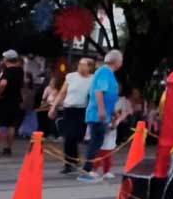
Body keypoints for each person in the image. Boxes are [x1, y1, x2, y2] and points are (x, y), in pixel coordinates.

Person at [78, 50, 123, 182]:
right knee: (95, 142)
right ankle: (87, 170)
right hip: (97, 113)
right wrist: (102, 110)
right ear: (116, 61)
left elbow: (109, 95)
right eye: (121, 60)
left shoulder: (109, 73)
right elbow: (99, 92)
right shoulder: (104, 72)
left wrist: (112, 111)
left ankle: (89, 169)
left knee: (98, 142)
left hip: (104, 113)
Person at [50, 58, 95, 174]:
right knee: (68, 137)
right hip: (68, 109)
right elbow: (62, 93)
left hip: (82, 110)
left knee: (75, 137)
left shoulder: (93, 79)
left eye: (84, 65)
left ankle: (74, 160)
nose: (80, 67)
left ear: (90, 67)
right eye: (79, 64)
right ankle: (69, 163)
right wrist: (53, 107)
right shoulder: (71, 76)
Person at [0, 50, 25, 157]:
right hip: (15, 100)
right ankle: (8, 148)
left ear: (6, 59)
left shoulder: (8, 71)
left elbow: (3, 84)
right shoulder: (20, 71)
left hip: (3, 101)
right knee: (11, 125)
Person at [39, 73, 63, 139]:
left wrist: (52, 104)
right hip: (49, 109)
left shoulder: (60, 91)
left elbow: (59, 102)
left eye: (53, 82)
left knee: (54, 120)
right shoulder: (49, 89)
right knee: (44, 118)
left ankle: (57, 134)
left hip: (57, 110)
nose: (51, 83)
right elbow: (44, 99)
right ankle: (48, 133)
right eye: (51, 81)